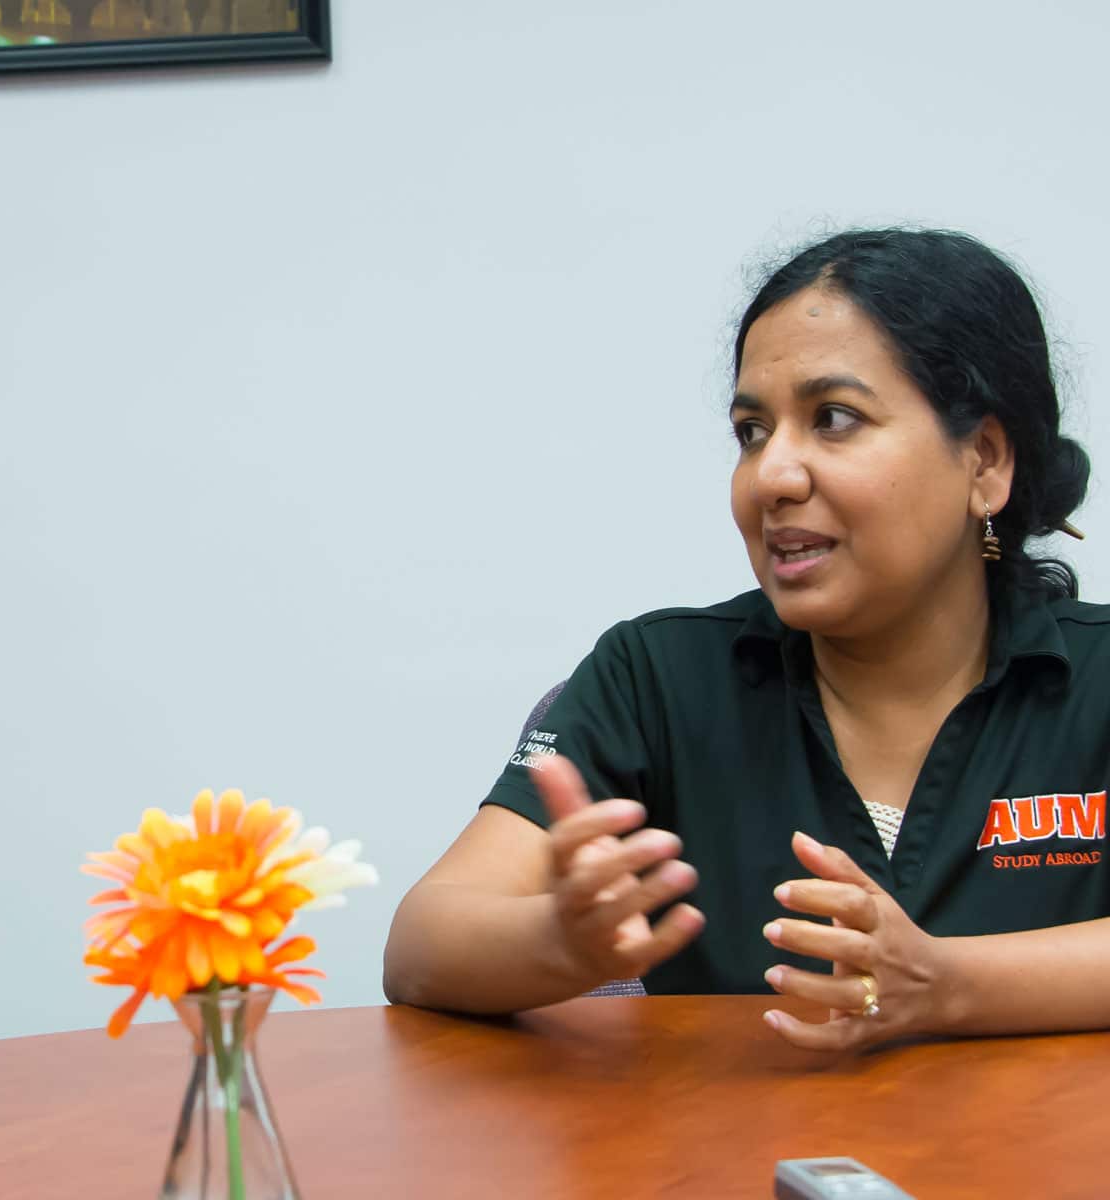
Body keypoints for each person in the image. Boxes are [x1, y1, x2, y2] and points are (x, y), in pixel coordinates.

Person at [383, 228, 1110, 1053]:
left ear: (984, 461)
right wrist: (562, 942)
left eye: (834, 419)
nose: (772, 476)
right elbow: (419, 946)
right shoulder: (658, 677)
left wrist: (948, 987)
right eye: (752, 432)